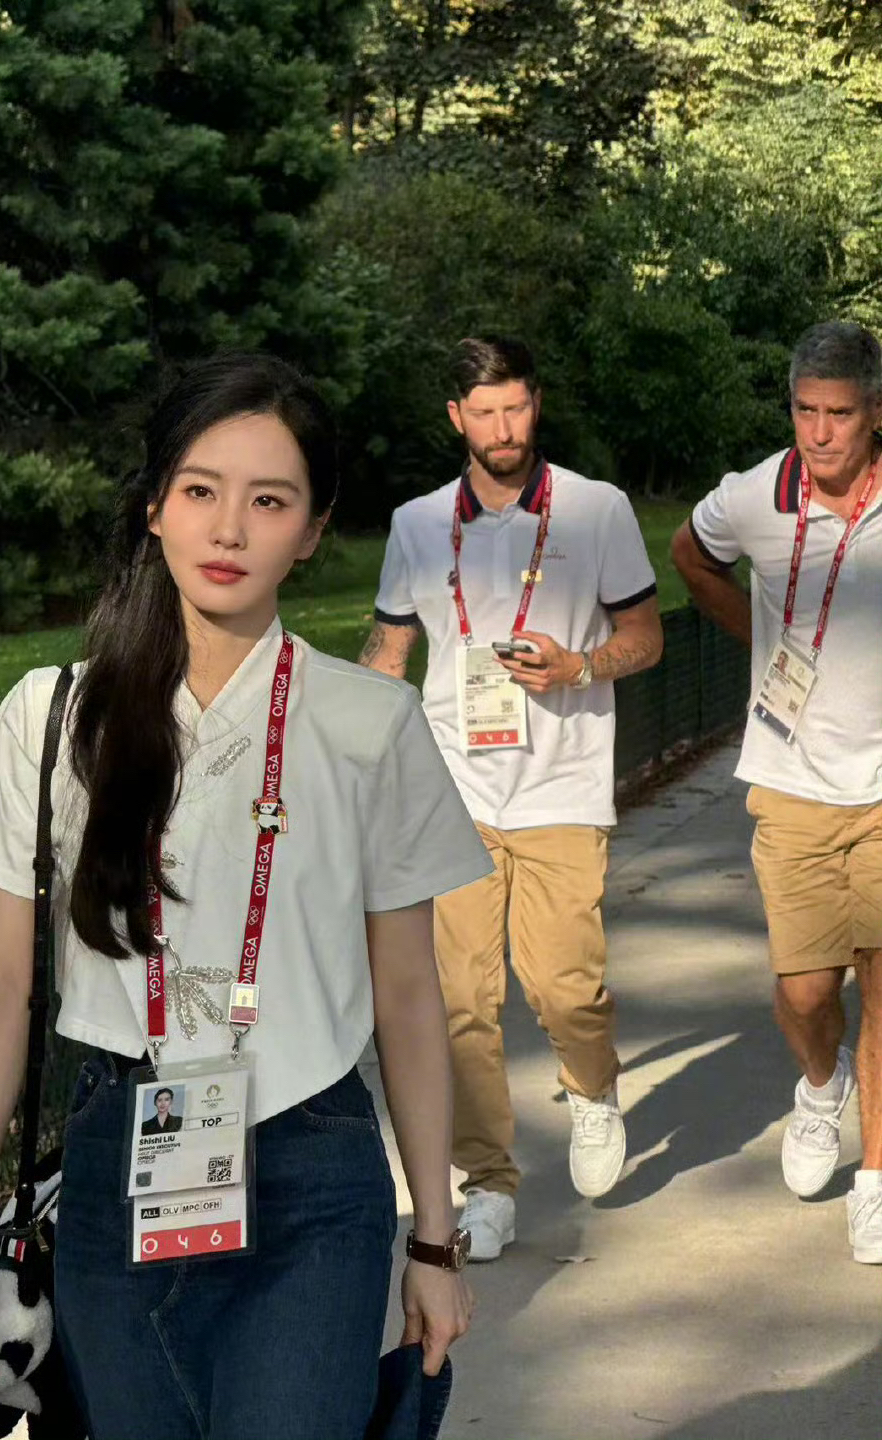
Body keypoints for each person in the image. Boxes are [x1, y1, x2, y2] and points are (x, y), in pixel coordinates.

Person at [0, 353, 493, 1439]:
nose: (229, 528)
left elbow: (412, 995)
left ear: (314, 530)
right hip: (113, 1168)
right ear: (154, 507)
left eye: (269, 501)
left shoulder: (370, 724)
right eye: (200, 490)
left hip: (312, 1167)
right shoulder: (51, 718)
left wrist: (434, 1238)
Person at [360, 335, 664, 1260]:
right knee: (460, 1002)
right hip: (453, 791)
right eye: (484, 412)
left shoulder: (597, 509)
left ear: (537, 405)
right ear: (457, 417)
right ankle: (486, 1183)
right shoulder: (417, 524)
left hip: (563, 788)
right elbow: (388, 655)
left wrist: (581, 666)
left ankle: (593, 1086)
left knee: (565, 989)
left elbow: (646, 636)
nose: (503, 429)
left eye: (517, 408)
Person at [671, 319, 882, 1265]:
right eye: (806, 411)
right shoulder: (755, 495)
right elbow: (690, 554)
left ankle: (875, 1180)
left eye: (841, 414)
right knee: (805, 991)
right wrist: (756, 642)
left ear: (874, 412)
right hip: (791, 783)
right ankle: (820, 1085)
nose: (821, 433)